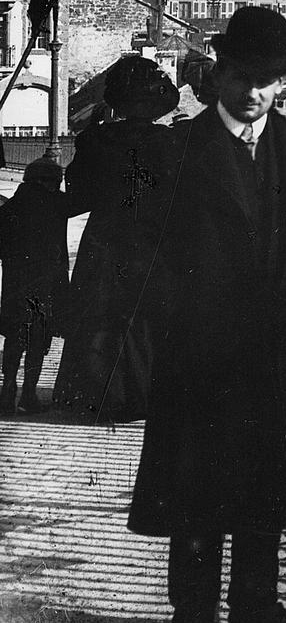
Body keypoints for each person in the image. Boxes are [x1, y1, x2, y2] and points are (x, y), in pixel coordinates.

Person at [128, 7, 286, 623]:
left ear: (278, 83)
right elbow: (151, 255)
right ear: (219, 75)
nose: (252, 92)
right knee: (199, 496)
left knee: (268, 484)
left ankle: (255, 602)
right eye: (241, 77)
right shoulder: (182, 149)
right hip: (202, 354)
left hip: (279, 346)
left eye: (264, 81)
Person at [53, 54, 180, 422]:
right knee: (143, 312)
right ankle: (141, 395)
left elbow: (80, 196)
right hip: (153, 238)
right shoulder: (171, 142)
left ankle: (91, 393)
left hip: (106, 236)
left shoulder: (97, 139)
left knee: (99, 311)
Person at [0, 156, 69, 414]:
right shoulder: (57, 203)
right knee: (37, 340)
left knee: (15, 337)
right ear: (50, 182)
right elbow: (86, 197)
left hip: (15, 284)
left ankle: (7, 391)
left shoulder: (9, 207)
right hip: (45, 284)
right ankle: (29, 394)